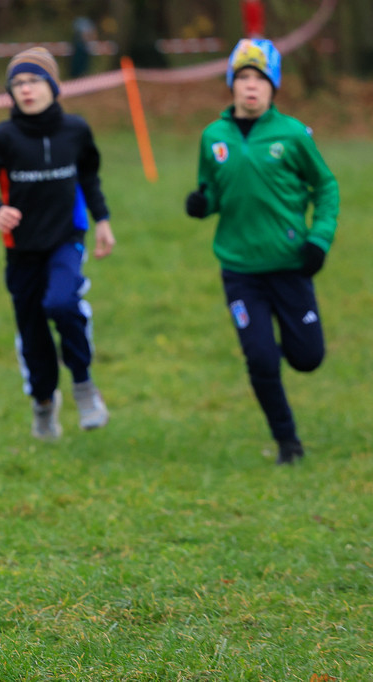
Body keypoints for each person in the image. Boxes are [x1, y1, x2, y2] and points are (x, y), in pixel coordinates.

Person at [184, 39, 338, 465]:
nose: (251, 87)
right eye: (243, 78)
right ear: (231, 84)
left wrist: (319, 238)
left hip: (290, 265)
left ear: (274, 88)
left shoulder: (292, 135)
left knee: (307, 358)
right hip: (239, 271)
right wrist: (202, 204)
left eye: (260, 80)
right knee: (260, 356)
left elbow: (326, 186)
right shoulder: (213, 136)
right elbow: (212, 190)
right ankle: (287, 442)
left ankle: (295, 339)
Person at [0, 47, 115, 441]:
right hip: (21, 250)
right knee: (32, 335)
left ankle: (84, 385)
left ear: (52, 86)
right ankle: (44, 404)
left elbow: (89, 177)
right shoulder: (3, 137)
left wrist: (103, 221)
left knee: (63, 302)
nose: (25, 90)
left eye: (33, 81)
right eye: (17, 84)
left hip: (66, 239)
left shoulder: (76, 131)